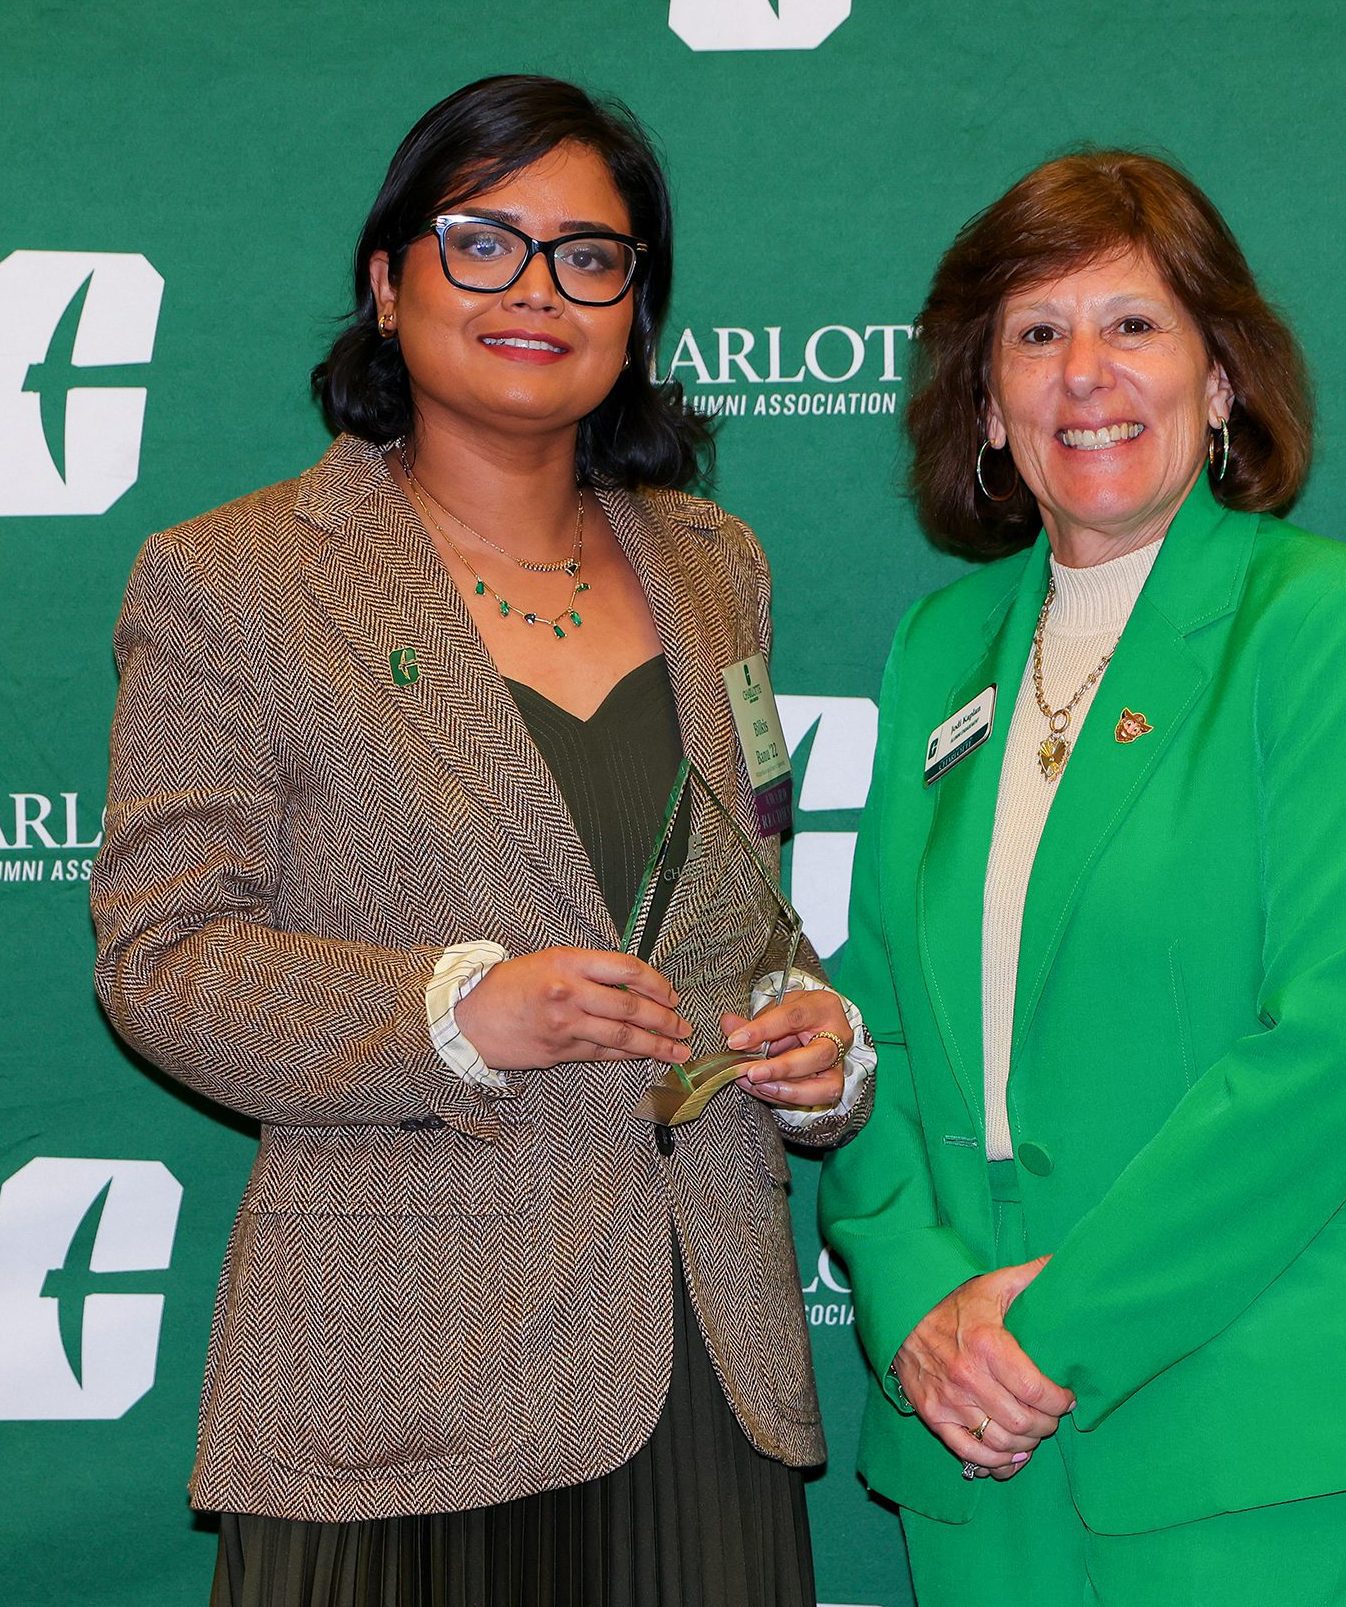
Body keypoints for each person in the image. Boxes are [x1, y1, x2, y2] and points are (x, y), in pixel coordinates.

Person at [91, 74, 874, 1607]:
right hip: (402, 1387)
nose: (537, 289)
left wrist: (812, 1034)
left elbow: (742, 910)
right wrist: (453, 1015)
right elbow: (162, 959)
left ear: (638, 313)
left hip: (701, 1373)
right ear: (388, 283)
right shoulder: (231, 580)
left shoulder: (715, 569)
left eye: (592, 256)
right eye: (482, 241)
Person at [819, 150, 1346, 1606]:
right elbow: (865, 1029)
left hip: (1266, 1423)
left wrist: (1048, 1338)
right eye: (1037, 336)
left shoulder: (1332, 626)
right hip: (973, 1432)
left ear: (1224, 377)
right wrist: (919, 1298)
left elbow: (1336, 1045)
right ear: (987, 406)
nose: (1085, 377)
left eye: (1133, 325)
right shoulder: (940, 649)